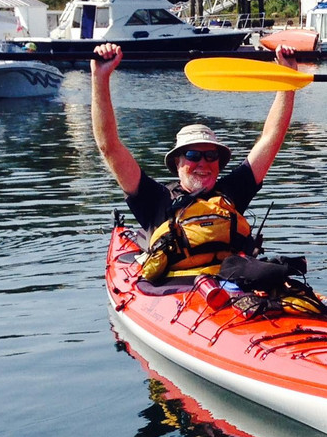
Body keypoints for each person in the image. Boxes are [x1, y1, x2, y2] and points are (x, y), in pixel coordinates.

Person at [91, 42, 304, 279]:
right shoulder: (155, 200)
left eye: (211, 155)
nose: (203, 163)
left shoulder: (231, 193)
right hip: (178, 292)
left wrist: (288, 78)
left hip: (233, 284)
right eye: (193, 155)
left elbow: (271, 138)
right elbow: (109, 147)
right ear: (177, 162)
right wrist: (100, 78)